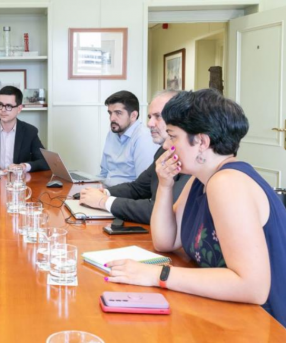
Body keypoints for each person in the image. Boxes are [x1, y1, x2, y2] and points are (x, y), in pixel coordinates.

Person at [105, 89, 286, 327]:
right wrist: (165, 185)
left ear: (201, 141)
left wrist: (157, 275)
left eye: (173, 137)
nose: (167, 146)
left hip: (262, 324)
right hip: (224, 312)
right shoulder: (200, 179)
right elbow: (165, 241)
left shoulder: (227, 183)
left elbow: (253, 287)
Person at [78, 90, 190, 224]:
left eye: (157, 116)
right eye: (150, 117)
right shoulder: (163, 151)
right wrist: (104, 193)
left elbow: (161, 211)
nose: (149, 123)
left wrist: (104, 202)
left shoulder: (191, 161)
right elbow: (137, 188)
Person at [98, 90, 156, 186]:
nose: (112, 118)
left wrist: (106, 196)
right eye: (110, 113)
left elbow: (143, 185)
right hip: (105, 190)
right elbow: (104, 172)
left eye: (118, 113)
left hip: (125, 196)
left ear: (133, 115)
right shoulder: (112, 133)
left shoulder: (144, 138)